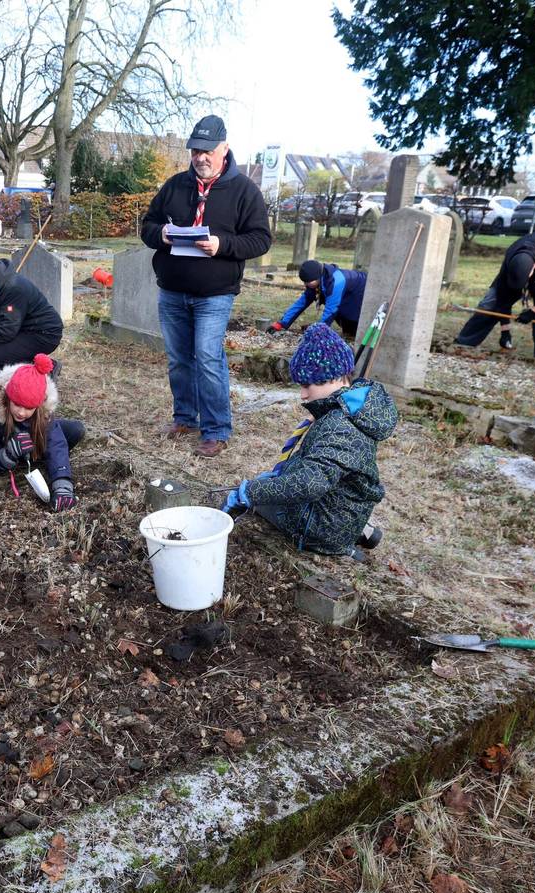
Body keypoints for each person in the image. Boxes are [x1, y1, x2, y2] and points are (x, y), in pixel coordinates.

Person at [141, 114, 272, 458]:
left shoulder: (245, 191)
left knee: (209, 359)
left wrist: (222, 245)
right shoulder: (174, 185)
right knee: (178, 360)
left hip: (215, 295)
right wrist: (162, 234)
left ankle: (215, 429)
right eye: (195, 150)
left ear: (224, 148)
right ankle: (185, 417)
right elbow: (148, 226)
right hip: (172, 290)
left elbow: (260, 240)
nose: (200, 157)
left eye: (207, 150)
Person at [222, 323, 397, 560]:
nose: (303, 395)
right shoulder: (351, 408)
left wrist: (251, 492)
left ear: (334, 377)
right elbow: (321, 466)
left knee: (257, 501)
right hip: (340, 508)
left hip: (318, 526)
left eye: (307, 386)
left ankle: (337, 541)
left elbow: (310, 484)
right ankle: (358, 530)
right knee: (272, 490)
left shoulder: (340, 427)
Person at [0, 353, 85, 512]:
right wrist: (8, 454)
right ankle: (28, 455)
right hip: (6, 449)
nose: (22, 412)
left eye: (29, 407)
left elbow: (56, 445)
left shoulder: (43, 413)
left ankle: (34, 454)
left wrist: (63, 487)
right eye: (17, 404)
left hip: (32, 436)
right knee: (58, 436)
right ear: (8, 397)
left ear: (38, 406)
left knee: (73, 431)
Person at [453, 231, 535, 361]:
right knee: (491, 303)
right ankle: (464, 343)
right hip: (520, 271)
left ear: (534, 267)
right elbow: (503, 300)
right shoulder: (511, 258)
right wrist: (505, 332)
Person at [268, 260, 367, 338]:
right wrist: (281, 323)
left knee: (354, 331)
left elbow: (331, 310)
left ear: (318, 277)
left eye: (308, 282)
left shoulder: (336, 281)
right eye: (304, 282)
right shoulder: (314, 282)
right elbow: (301, 303)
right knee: (348, 331)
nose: (306, 284)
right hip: (346, 297)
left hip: (361, 293)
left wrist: (318, 331)